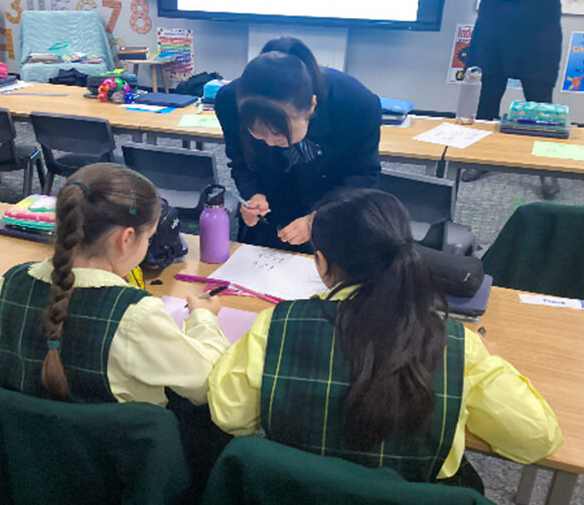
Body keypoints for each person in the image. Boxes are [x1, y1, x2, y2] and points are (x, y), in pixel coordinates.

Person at [207, 189, 563, 486]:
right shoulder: (455, 345)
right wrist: (489, 362)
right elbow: (537, 438)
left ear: (321, 262)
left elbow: (228, 413)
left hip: (299, 493)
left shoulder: (277, 325)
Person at [0, 163, 230, 406]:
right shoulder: (135, 316)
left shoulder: (7, 285)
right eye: (148, 238)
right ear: (126, 238)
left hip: (19, 432)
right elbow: (207, 383)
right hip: (119, 434)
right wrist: (204, 319)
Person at [215, 37, 381, 251]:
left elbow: (364, 175)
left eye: (279, 134)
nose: (270, 143)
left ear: (311, 105)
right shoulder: (229, 101)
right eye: (257, 133)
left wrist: (318, 219)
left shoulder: (355, 103)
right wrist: (254, 194)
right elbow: (240, 161)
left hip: (333, 206)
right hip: (271, 210)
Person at [463, 0, 584, 198]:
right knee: (487, 97)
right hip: (495, 27)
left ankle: (545, 168)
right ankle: (479, 158)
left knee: (541, 103)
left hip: (539, 30)